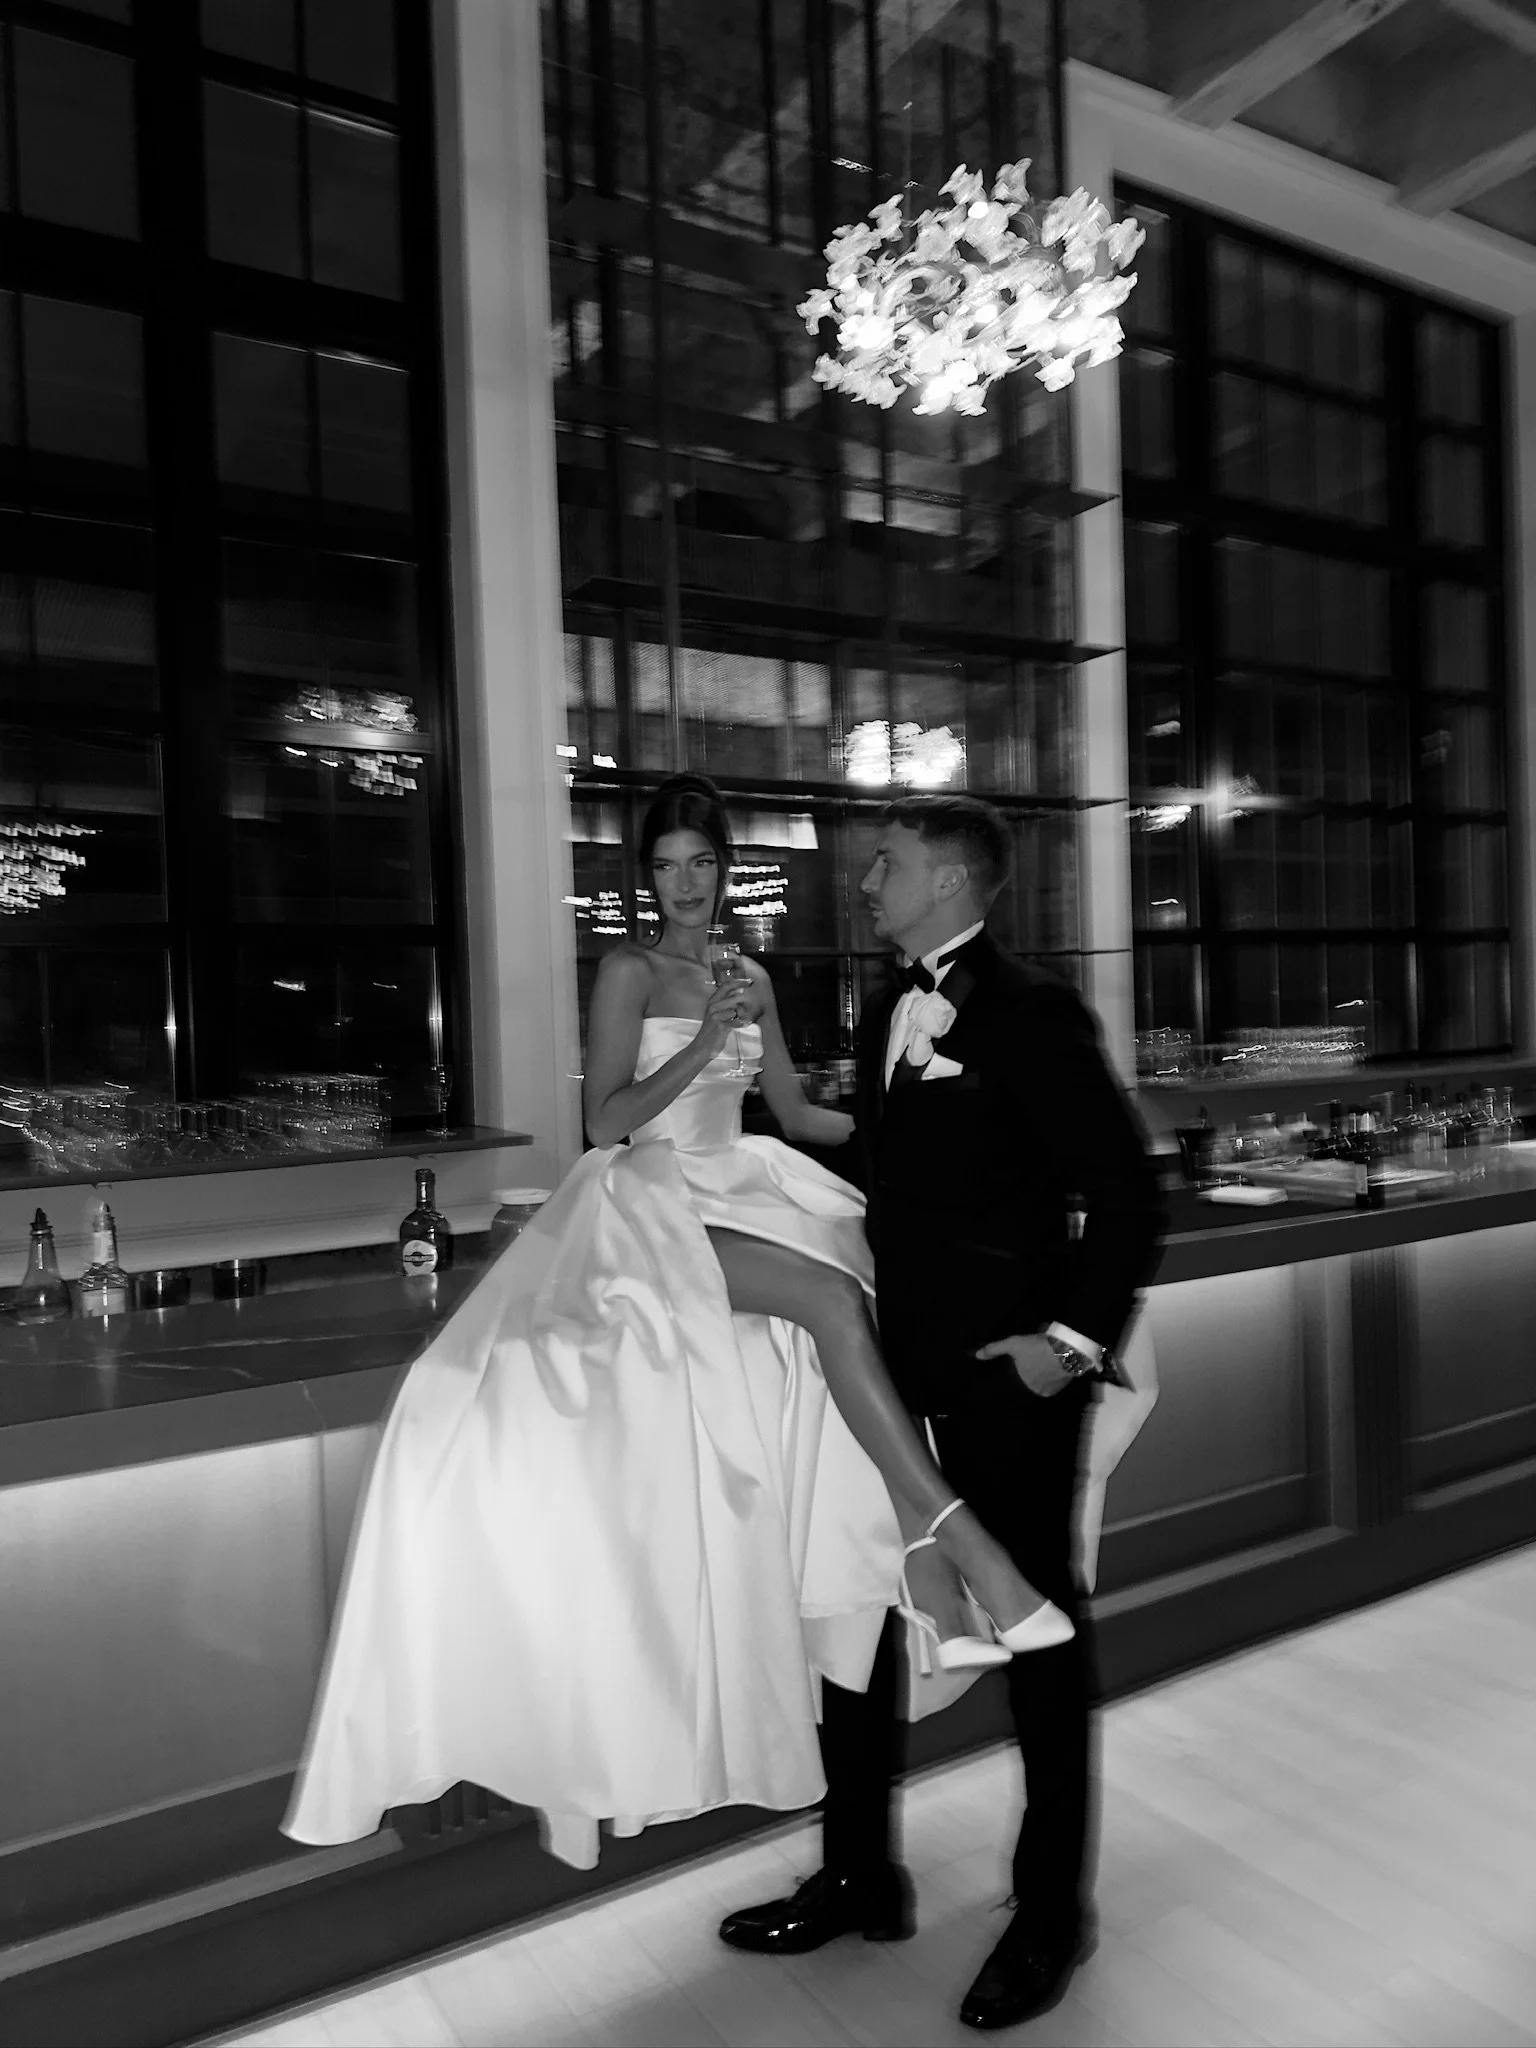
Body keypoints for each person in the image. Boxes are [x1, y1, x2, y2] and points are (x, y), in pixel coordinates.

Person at [282, 775, 1064, 1871]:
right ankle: (960, 1548)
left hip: (743, 1180)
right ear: (642, 877)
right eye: (665, 865)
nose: (685, 884)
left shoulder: (750, 971)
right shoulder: (629, 970)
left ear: (724, 868)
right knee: (830, 1298)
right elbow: (601, 1119)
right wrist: (701, 1049)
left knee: (873, 1291)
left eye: (702, 863)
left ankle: (922, 1574)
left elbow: (795, 1112)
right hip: (653, 1193)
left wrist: (970, 1123)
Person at [719, 794, 1166, 2032]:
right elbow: (893, 1170)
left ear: (956, 882)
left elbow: (1126, 1194)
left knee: (1038, 1637)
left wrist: (1065, 1347)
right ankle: (861, 1869)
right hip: (889, 1368)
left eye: (889, 863)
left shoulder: (1030, 1011)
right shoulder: (888, 1010)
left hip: (1007, 1378)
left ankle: (1048, 1911)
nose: (866, 881)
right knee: (859, 1615)